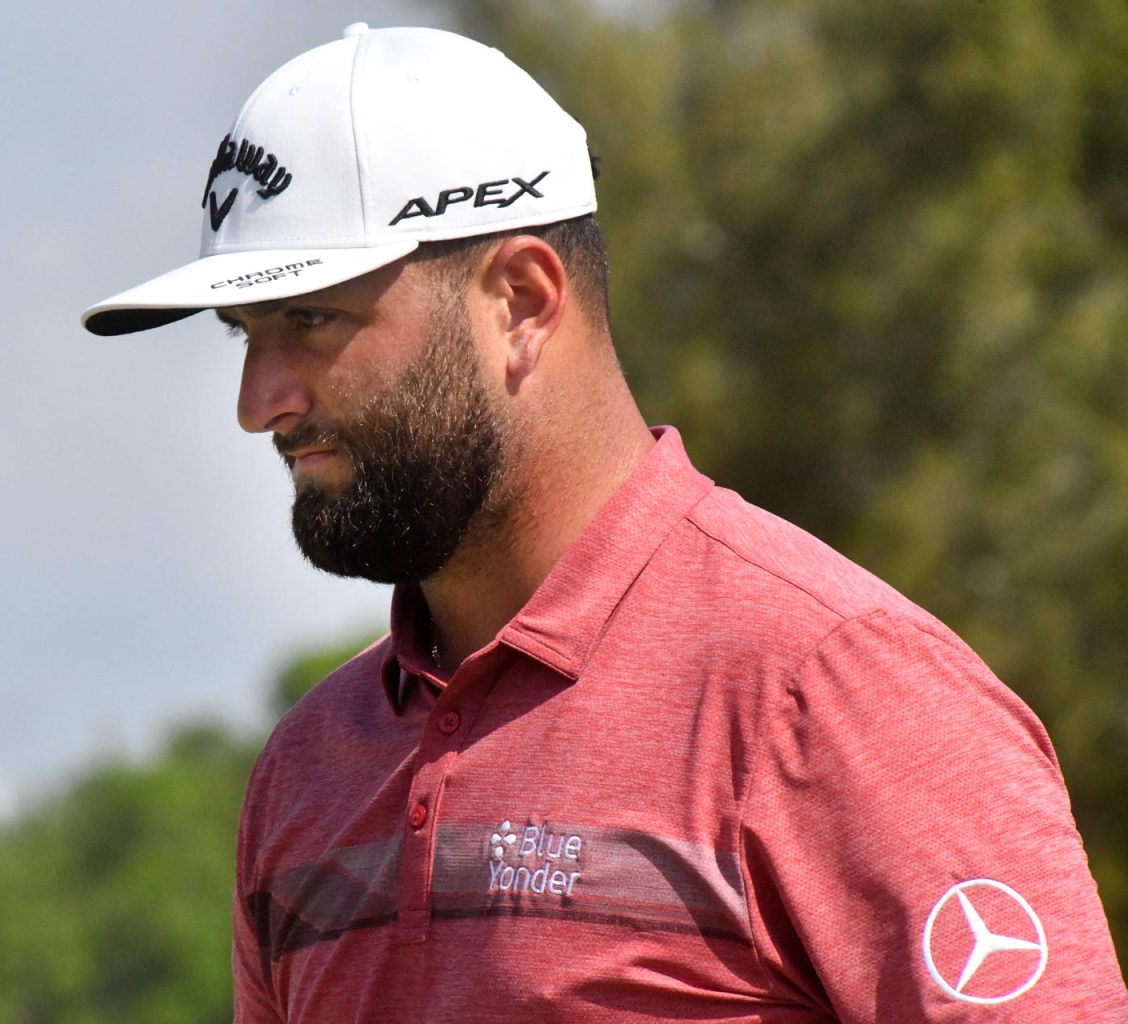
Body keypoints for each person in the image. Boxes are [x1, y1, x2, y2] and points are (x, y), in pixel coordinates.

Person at [79, 23, 1128, 1023]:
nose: (260, 400)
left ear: (524, 301)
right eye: (245, 335)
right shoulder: (306, 769)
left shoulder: (836, 692)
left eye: (311, 320)